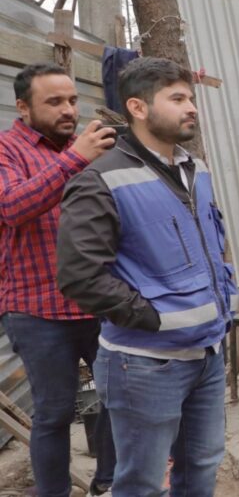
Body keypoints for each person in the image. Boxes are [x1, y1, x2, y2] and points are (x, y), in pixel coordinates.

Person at [57, 57, 237, 495]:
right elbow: (80, 275)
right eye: (177, 99)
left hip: (207, 354)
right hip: (144, 363)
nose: (191, 107)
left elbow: (211, 243)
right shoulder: (100, 179)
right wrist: (152, 317)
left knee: (201, 466)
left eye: (191, 98)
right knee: (141, 482)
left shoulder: (197, 169)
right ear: (138, 107)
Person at [0, 62, 116, 497]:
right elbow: (10, 206)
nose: (68, 109)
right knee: (53, 412)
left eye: (72, 100)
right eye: (54, 102)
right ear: (23, 108)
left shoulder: (91, 148)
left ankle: (108, 483)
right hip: (36, 307)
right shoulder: (7, 150)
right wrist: (74, 160)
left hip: (99, 301)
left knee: (113, 398)